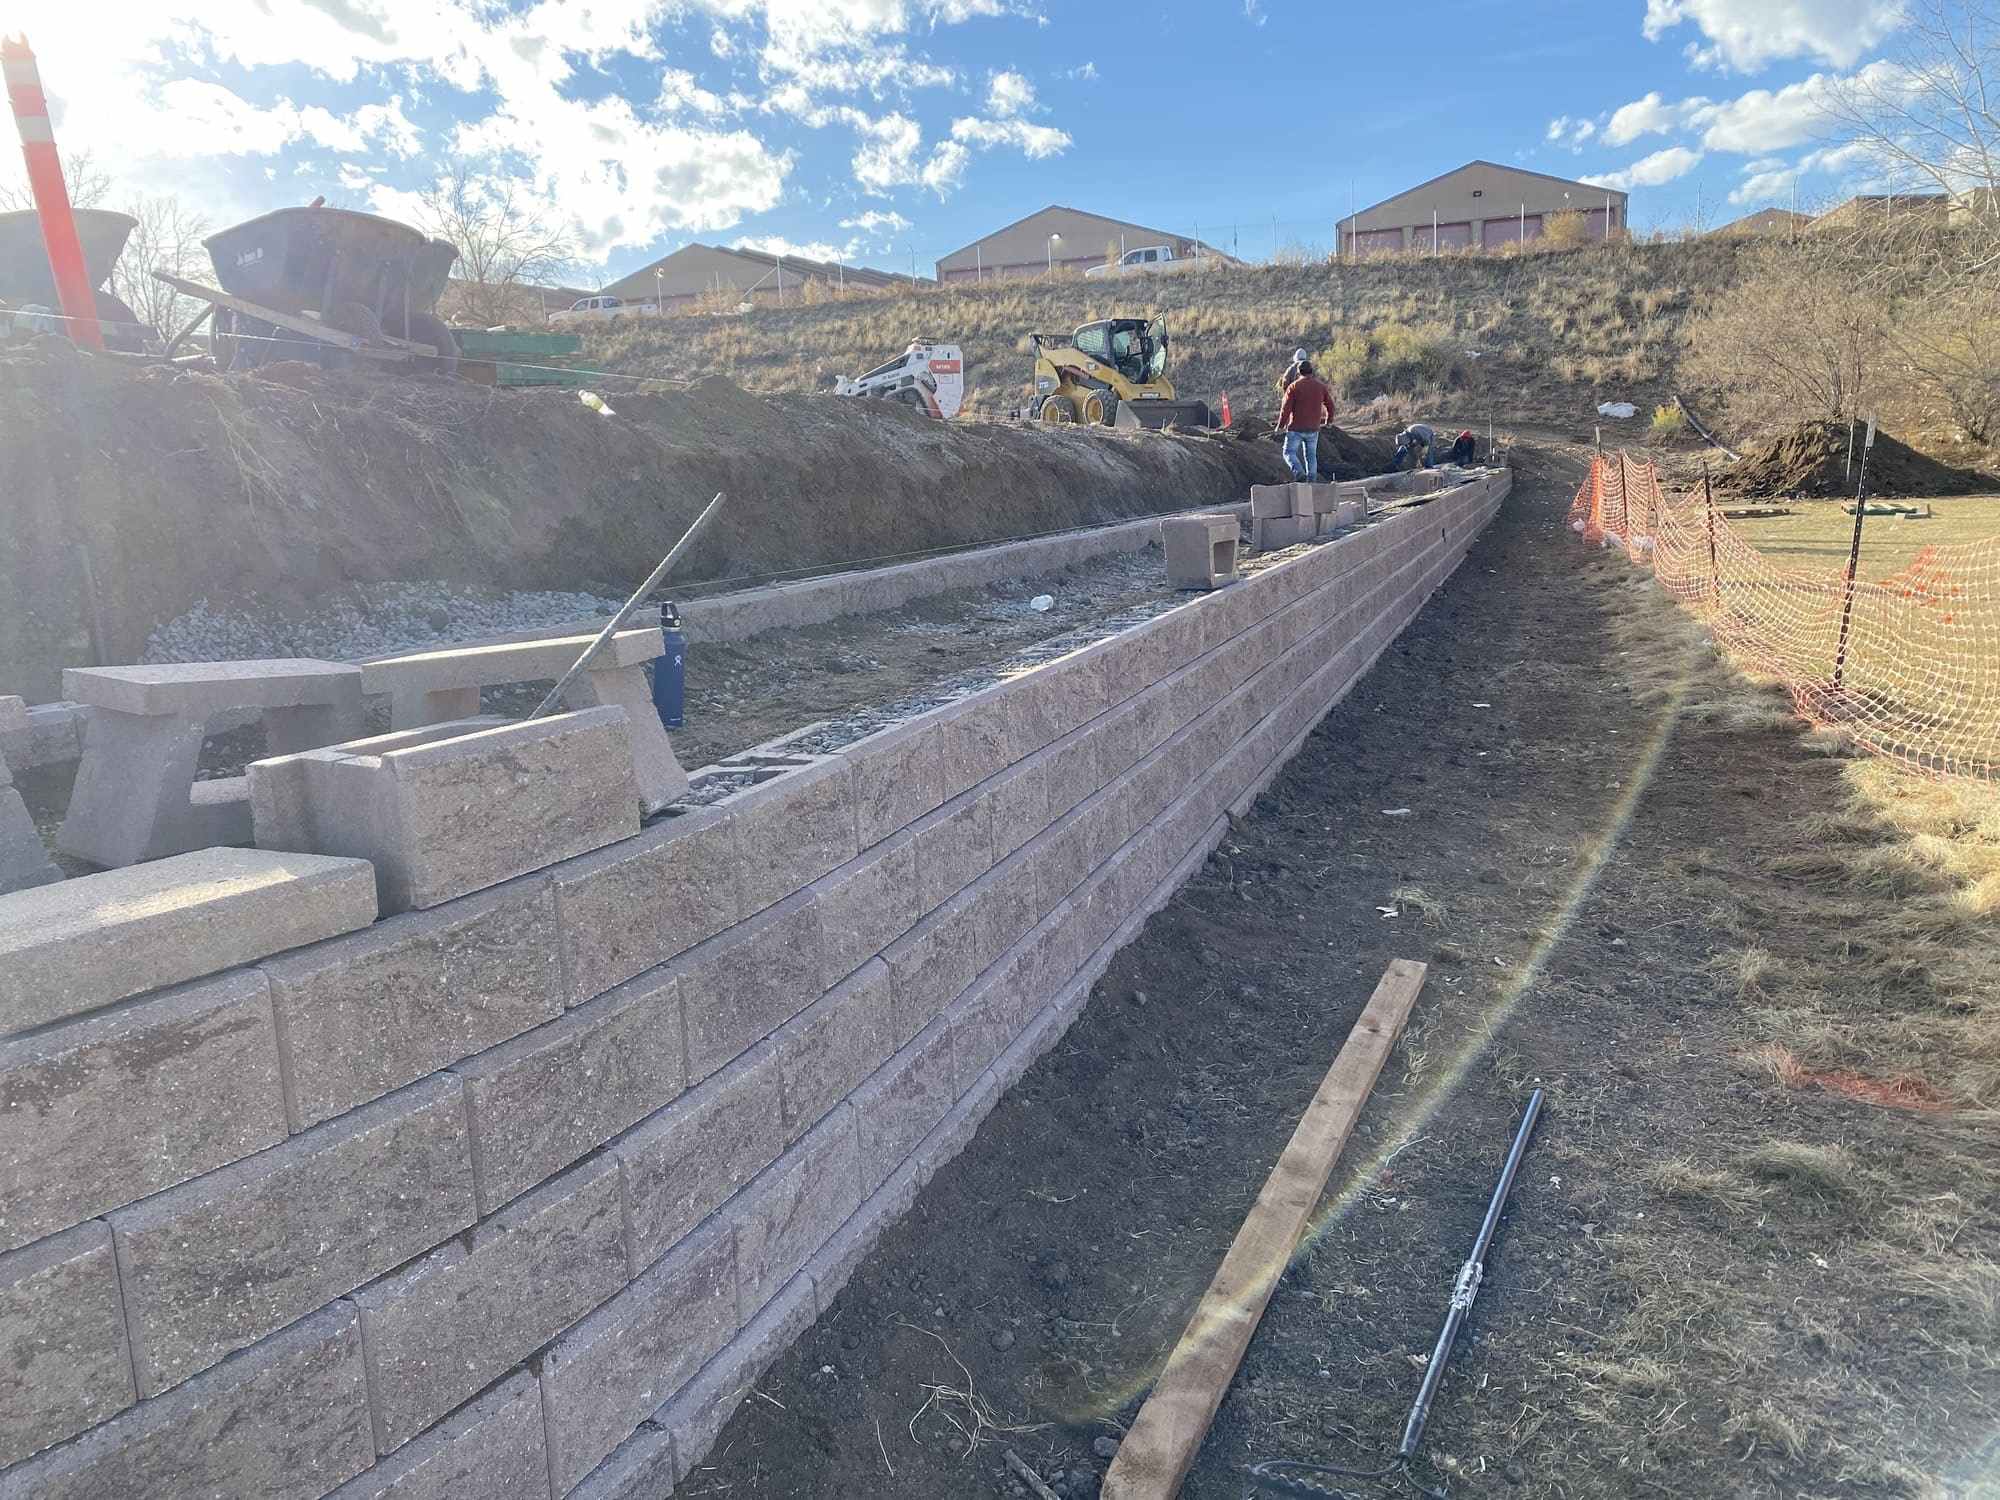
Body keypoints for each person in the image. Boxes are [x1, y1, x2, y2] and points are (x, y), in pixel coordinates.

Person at [1276, 359, 1336, 480]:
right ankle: (1312, 481)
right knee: (1311, 456)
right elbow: (1330, 405)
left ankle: (1299, 473)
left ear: (1299, 372)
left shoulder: (1293, 387)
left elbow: (1285, 409)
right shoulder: (1320, 387)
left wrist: (1280, 426)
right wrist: (1328, 421)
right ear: (1311, 371)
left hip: (1296, 428)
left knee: (1288, 453)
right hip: (1313, 428)